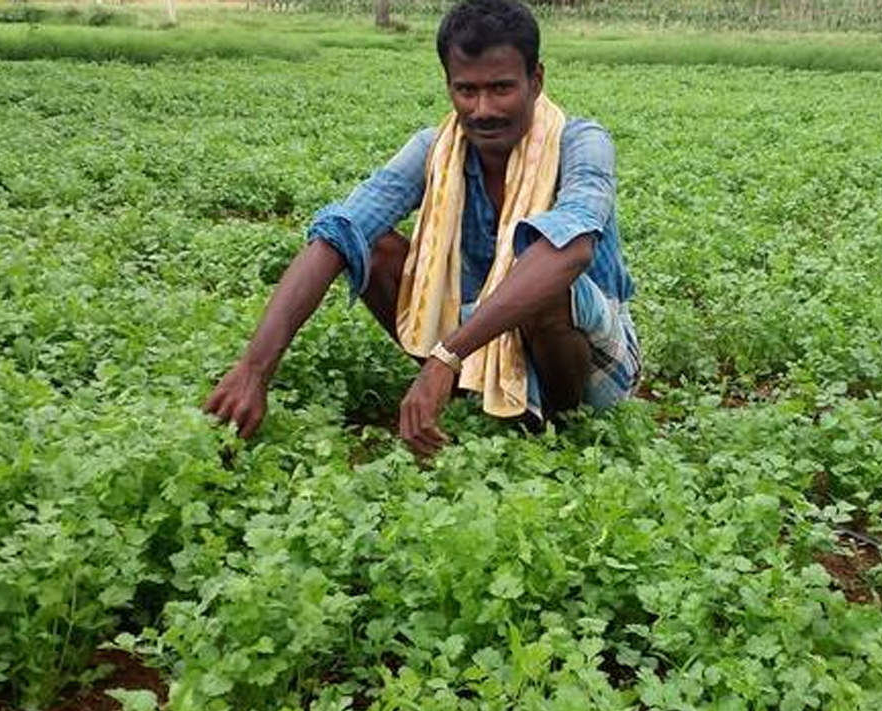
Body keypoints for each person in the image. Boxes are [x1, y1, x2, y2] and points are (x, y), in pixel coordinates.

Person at [203, 0, 639, 456]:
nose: (483, 109)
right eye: (466, 91)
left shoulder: (581, 142)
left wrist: (445, 356)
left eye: (502, 88)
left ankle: (558, 429)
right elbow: (340, 232)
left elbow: (571, 252)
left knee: (546, 280)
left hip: (587, 363)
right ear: (448, 86)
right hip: (475, 337)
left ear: (537, 80)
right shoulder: (436, 150)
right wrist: (254, 369)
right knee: (369, 247)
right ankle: (461, 388)